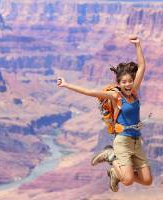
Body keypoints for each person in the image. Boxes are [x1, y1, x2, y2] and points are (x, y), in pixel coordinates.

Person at [57, 36, 152, 192]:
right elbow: (89, 92)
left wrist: (138, 45)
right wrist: (67, 84)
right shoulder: (116, 96)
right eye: (124, 82)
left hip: (136, 141)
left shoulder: (134, 93)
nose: (128, 84)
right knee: (127, 180)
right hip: (122, 141)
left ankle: (116, 171)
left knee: (147, 180)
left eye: (130, 81)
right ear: (119, 84)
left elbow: (142, 66)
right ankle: (111, 156)